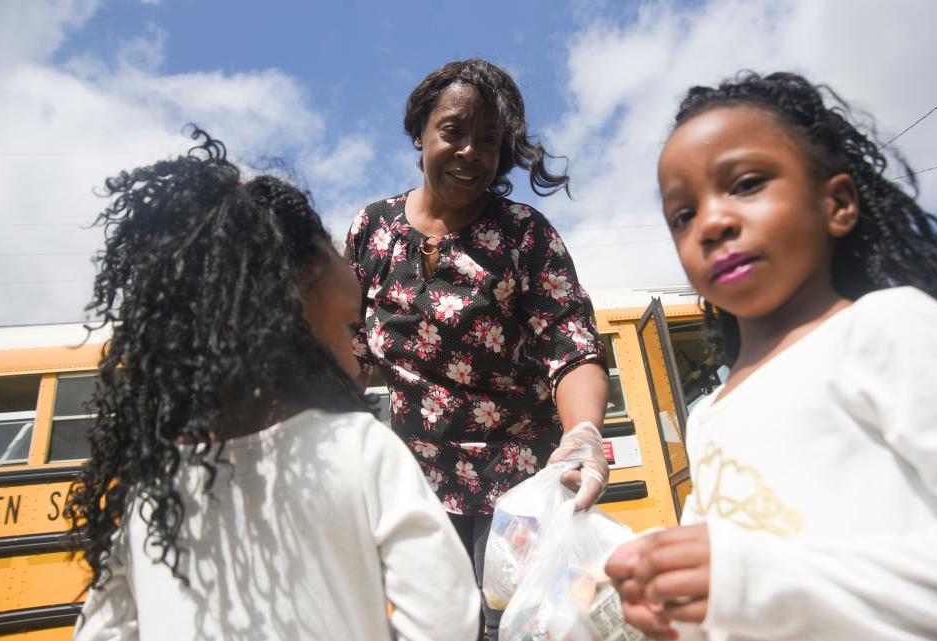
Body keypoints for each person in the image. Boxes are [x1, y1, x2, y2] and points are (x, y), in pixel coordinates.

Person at [67, 129, 480, 641]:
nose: (361, 359)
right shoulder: (360, 449)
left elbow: (101, 631)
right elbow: (447, 618)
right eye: (352, 329)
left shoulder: (151, 490)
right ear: (288, 319)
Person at [605, 71, 937, 641]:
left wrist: (744, 583)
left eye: (747, 183)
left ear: (836, 203)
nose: (712, 222)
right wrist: (677, 611)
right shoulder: (708, 418)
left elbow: (756, 584)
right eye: (683, 216)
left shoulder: (887, 329)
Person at [344, 58, 609, 639]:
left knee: (515, 627)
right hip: (416, 491)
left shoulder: (524, 234)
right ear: (419, 133)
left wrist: (583, 435)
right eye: (453, 131)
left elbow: (571, 343)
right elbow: (349, 352)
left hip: (518, 486)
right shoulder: (373, 229)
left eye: (488, 140)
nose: (470, 152)